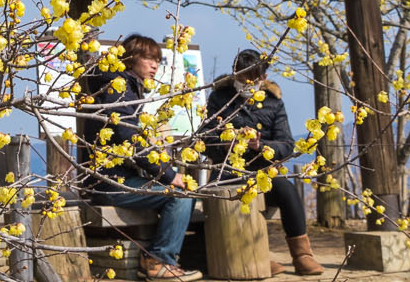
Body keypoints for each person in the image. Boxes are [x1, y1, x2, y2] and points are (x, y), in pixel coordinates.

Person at [82, 34, 202, 282]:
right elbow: (131, 141)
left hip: (113, 178)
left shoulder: (125, 86)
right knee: (179, 197)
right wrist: (170, 175)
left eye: (157, 59)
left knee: (178, 192)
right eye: (148, 58)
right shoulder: (119, 87)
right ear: (130, 59)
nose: (155, 65)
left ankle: (157, 260)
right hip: (109, 181)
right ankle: (158, 261)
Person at [198, 49, 322, 277]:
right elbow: (204, 139)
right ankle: (257, 257)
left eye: (252, 79)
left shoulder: (273, 102)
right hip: (227, 170)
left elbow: (286, 144)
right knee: (228, 199)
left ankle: (302, 255)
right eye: (241, 78)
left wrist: (260, 145)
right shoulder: (220, 98)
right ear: (234, 75)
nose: (246, 84)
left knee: (287, 190)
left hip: (263, 171)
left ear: (263, 79)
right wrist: (226, 142)